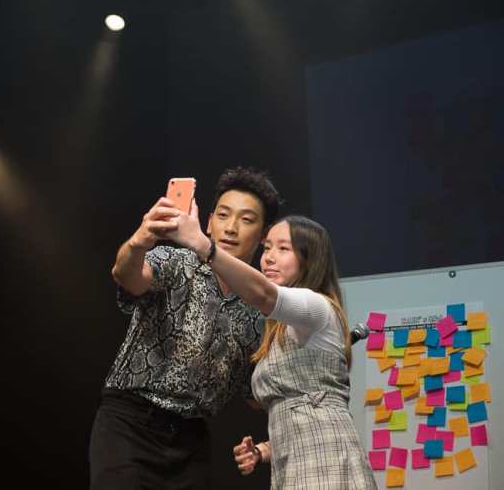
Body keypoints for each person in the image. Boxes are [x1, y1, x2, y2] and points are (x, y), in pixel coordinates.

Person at [88, 167, 282, 490]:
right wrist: (138, 242)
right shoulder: (175, 262)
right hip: (130, 423)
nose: (231, 228)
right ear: (208, 222)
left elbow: (257, 393)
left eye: (247, 219)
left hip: (191, 439)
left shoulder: (260, 308)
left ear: (263, 235)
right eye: (223, 215)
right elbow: (127, 275)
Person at [168, 211, 377, 489]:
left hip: (326, 456)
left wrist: (203, 245)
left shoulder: (317, 307)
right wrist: (263, 450)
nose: (268, 257)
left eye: (283, 248)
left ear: (309, 259)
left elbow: (263, 294)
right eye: (267, 248)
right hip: (295, 461)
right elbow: (300, 406)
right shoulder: (281, 327)